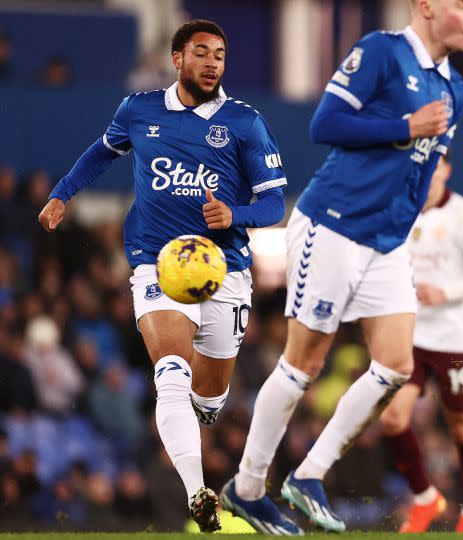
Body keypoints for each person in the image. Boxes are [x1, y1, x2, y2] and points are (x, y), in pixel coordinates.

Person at [219, 0, 463, 534]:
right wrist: (404, 123)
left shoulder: (456, 89)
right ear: (425, 6)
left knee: (396, 365)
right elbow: (324, 124)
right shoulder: (382, 52)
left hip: (386, 241)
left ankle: (308, 476)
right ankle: (246, 487)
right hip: (332, 224)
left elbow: (421, 164)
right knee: (303, 364)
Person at [37, 19, 287, 533]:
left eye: (220, 53)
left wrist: (234, 216)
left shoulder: (244, 123)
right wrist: (63, 191)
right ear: (178, 59)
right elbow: (101, 152)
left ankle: (209, 409)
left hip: (225, 271)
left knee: (211, 395)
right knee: (170, 370)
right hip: (157, 261)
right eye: (201, 52)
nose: (213, 61)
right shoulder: (139, 109)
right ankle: (198, 491)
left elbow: (275, 204)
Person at [378, 154, 463, 533]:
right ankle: (425, 499)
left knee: (462, 427)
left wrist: (446, 291)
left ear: (446, 170)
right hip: (410, 336)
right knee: (392, 418)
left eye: (435, 168)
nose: (427, 176)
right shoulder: (400, 209)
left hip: (455, 340)